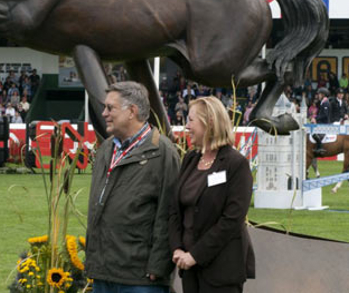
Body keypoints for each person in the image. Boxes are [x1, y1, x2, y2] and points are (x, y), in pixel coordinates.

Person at [86, 81, 180, 292]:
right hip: (103, 272)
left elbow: (169, 212)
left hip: (141, 278)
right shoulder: (106, 149)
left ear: (132, 111)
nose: (104, 113)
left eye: (111, 108)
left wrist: (159, 265)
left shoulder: (163, 152)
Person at [169, 96, 254, 293]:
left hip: (221, 272)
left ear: (210, 122)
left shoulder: (236, 164)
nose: (186, 127)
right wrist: (177, 248)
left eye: (191, 120)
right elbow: (174, 209)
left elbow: (232, 219)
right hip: (189, 268)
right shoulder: (190, 159)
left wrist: (195, 255)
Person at [312, 88, 331, 154]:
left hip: (324, 124)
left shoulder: (326, 103)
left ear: (323, 95)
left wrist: (316, 119)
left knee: (315, 135)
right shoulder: (322, 102)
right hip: (321, 123)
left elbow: (325, 115)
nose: (318, 96)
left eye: (319, 94)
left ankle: (320, 148)